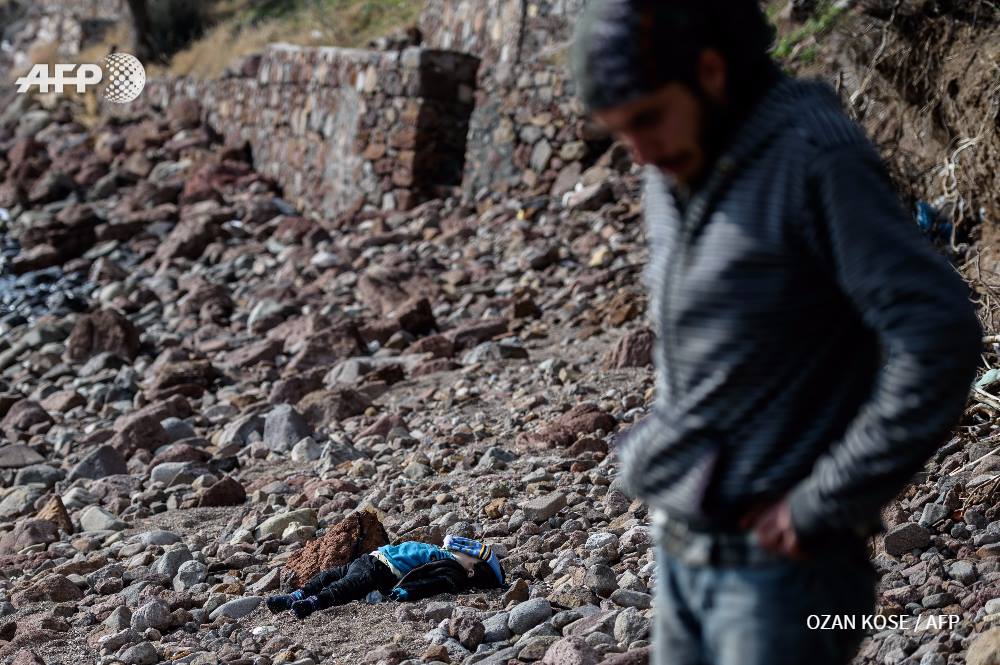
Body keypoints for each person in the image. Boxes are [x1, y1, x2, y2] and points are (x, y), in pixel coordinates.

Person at [570, 2, 982, 664]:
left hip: (787, 576)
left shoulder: (816, 157)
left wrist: (828, 498)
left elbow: (937, 333)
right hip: (682, 554)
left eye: (647, 119)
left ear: (710, 70)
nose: (639, 154)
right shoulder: (672, 162)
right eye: (620, 135)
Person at [266, 535, 506, 619]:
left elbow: (433, 583)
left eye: (471, 556)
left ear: (472, 570)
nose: (465, 551)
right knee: (327, 576)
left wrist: (406, 592)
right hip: (370, 558)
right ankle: (296, 595)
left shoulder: (453, 570)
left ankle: (311, 604)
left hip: (381, 570)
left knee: (344, 586)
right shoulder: (445, 554)